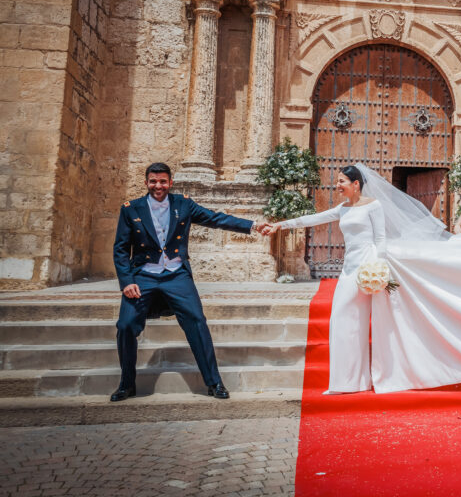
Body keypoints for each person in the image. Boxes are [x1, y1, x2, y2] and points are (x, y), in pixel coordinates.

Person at [112, 163, 270, 402]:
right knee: (125, 326)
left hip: (176, 275)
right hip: (143, 275)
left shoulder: (183, 204)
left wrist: (252, 225)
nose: (158, 186)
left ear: (170, 182)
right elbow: (121, 249)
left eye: (163, 181)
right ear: (146, 182)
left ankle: (214, 382)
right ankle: (126, 384)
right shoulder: (131, 209)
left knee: (197, 321)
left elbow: (214, 218)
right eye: (153, 181)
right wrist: (126, 281)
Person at [266, 165, 386, 393]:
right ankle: (353, 381)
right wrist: (281, 225)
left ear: (356, 184)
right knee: (346, 323)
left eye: (342, 181)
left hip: (366, 268)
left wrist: (378, 267)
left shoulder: (373, 206)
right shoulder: (343, 209)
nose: (337, 185)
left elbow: (381, 238)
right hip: (348, 269)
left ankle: (351, 381)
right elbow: (312, 219)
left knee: (346, 319)